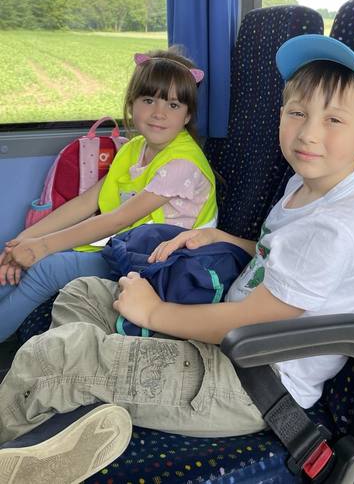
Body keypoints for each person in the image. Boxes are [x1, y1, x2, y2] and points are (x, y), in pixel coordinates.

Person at [0, 34, 354, 483]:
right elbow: (280, 258)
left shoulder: (336, 226)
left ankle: (41, 420)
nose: (308, 132)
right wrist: (225, 238)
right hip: (225, 344)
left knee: (53, 357)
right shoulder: (308, 185)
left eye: (333, 119)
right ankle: (70, 426)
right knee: (81, 293)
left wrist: (154, 313)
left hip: (248, 380)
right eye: (297, 112)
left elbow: (253, 321)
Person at [0, 48, 217, 341]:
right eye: (149, 100)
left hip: (164, 264)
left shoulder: (183, 163)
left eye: (174, 105)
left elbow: (117, 220)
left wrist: (42, 247)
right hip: (129, 247)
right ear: (131, 103)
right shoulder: (132, 149)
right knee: (11, 256)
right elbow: (86, 202)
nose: (159, 113)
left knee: (47, 268)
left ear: (188, 115)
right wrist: (23, 240)